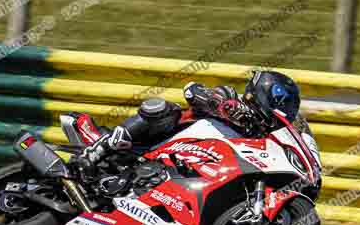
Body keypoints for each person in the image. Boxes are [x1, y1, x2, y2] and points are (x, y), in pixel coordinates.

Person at [68, 70, 308, 175]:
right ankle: (99, 148)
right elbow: (191, 90)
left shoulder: (260, 139)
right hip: (159, 144)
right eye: (283, 103)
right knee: (163, 109)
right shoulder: (231, 98)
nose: (285, 110)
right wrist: (224, 107)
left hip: (189, 167)